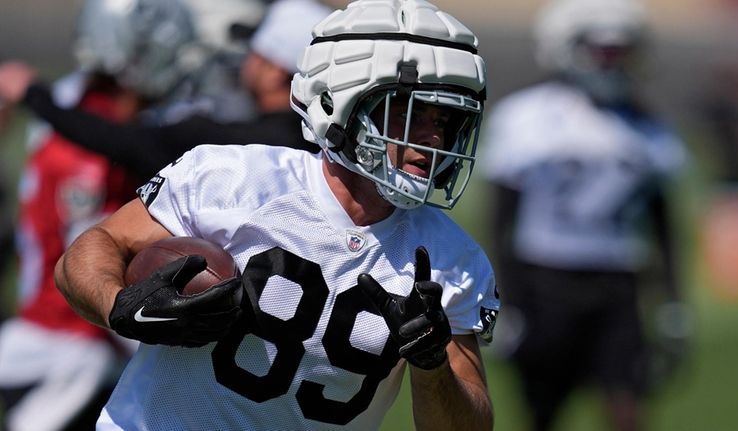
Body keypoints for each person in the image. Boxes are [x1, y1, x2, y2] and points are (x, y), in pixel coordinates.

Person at [54, 0, 499, 429]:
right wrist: (120, 305)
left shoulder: (448, 259)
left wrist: (433, 363)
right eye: (408, 114)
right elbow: (91, 250)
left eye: (444, 121)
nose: (433, 140)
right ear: (339, 102)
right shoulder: (233, 178)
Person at [478, 0, 691, 430]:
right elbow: (502, 217)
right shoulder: (527, 116)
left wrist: (671, 299)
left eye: (622, 51)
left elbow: (663, 223)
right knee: (543, 409)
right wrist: (506, 298)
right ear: (567, 46)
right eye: (603, 51)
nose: (614, 63)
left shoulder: (648, 126)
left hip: (618, 282)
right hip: (544, 280)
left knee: (628, 407)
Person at [0, 0, 202, 429]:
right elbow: (94, 259)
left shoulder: (71, 102)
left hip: (56, 337)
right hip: (70, 346)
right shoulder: (89, 148)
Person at [0, 0, 325, 182]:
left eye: (256, 54)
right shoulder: (329, 147)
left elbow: (126, 142)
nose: (243, 60)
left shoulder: (229, 139)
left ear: (273, 74)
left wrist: (35, 96)